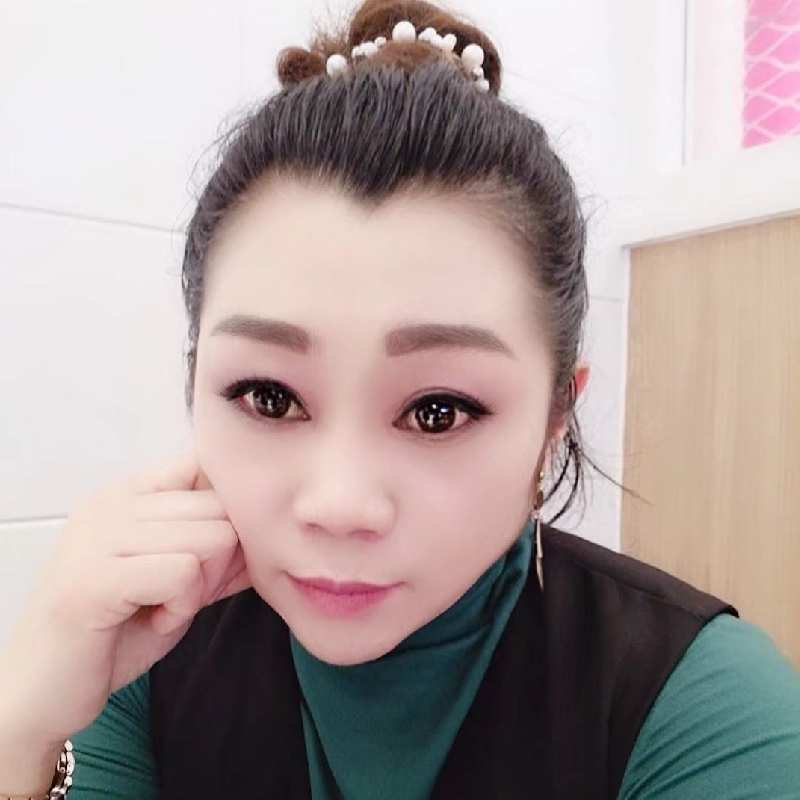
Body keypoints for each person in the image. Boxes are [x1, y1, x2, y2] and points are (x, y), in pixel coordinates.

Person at [2, 1, 799, 798]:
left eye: (438, 411)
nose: (340, 505)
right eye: (270, 397)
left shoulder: (703, 709)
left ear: (556, 417)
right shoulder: (139, 651)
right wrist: (20, 732)